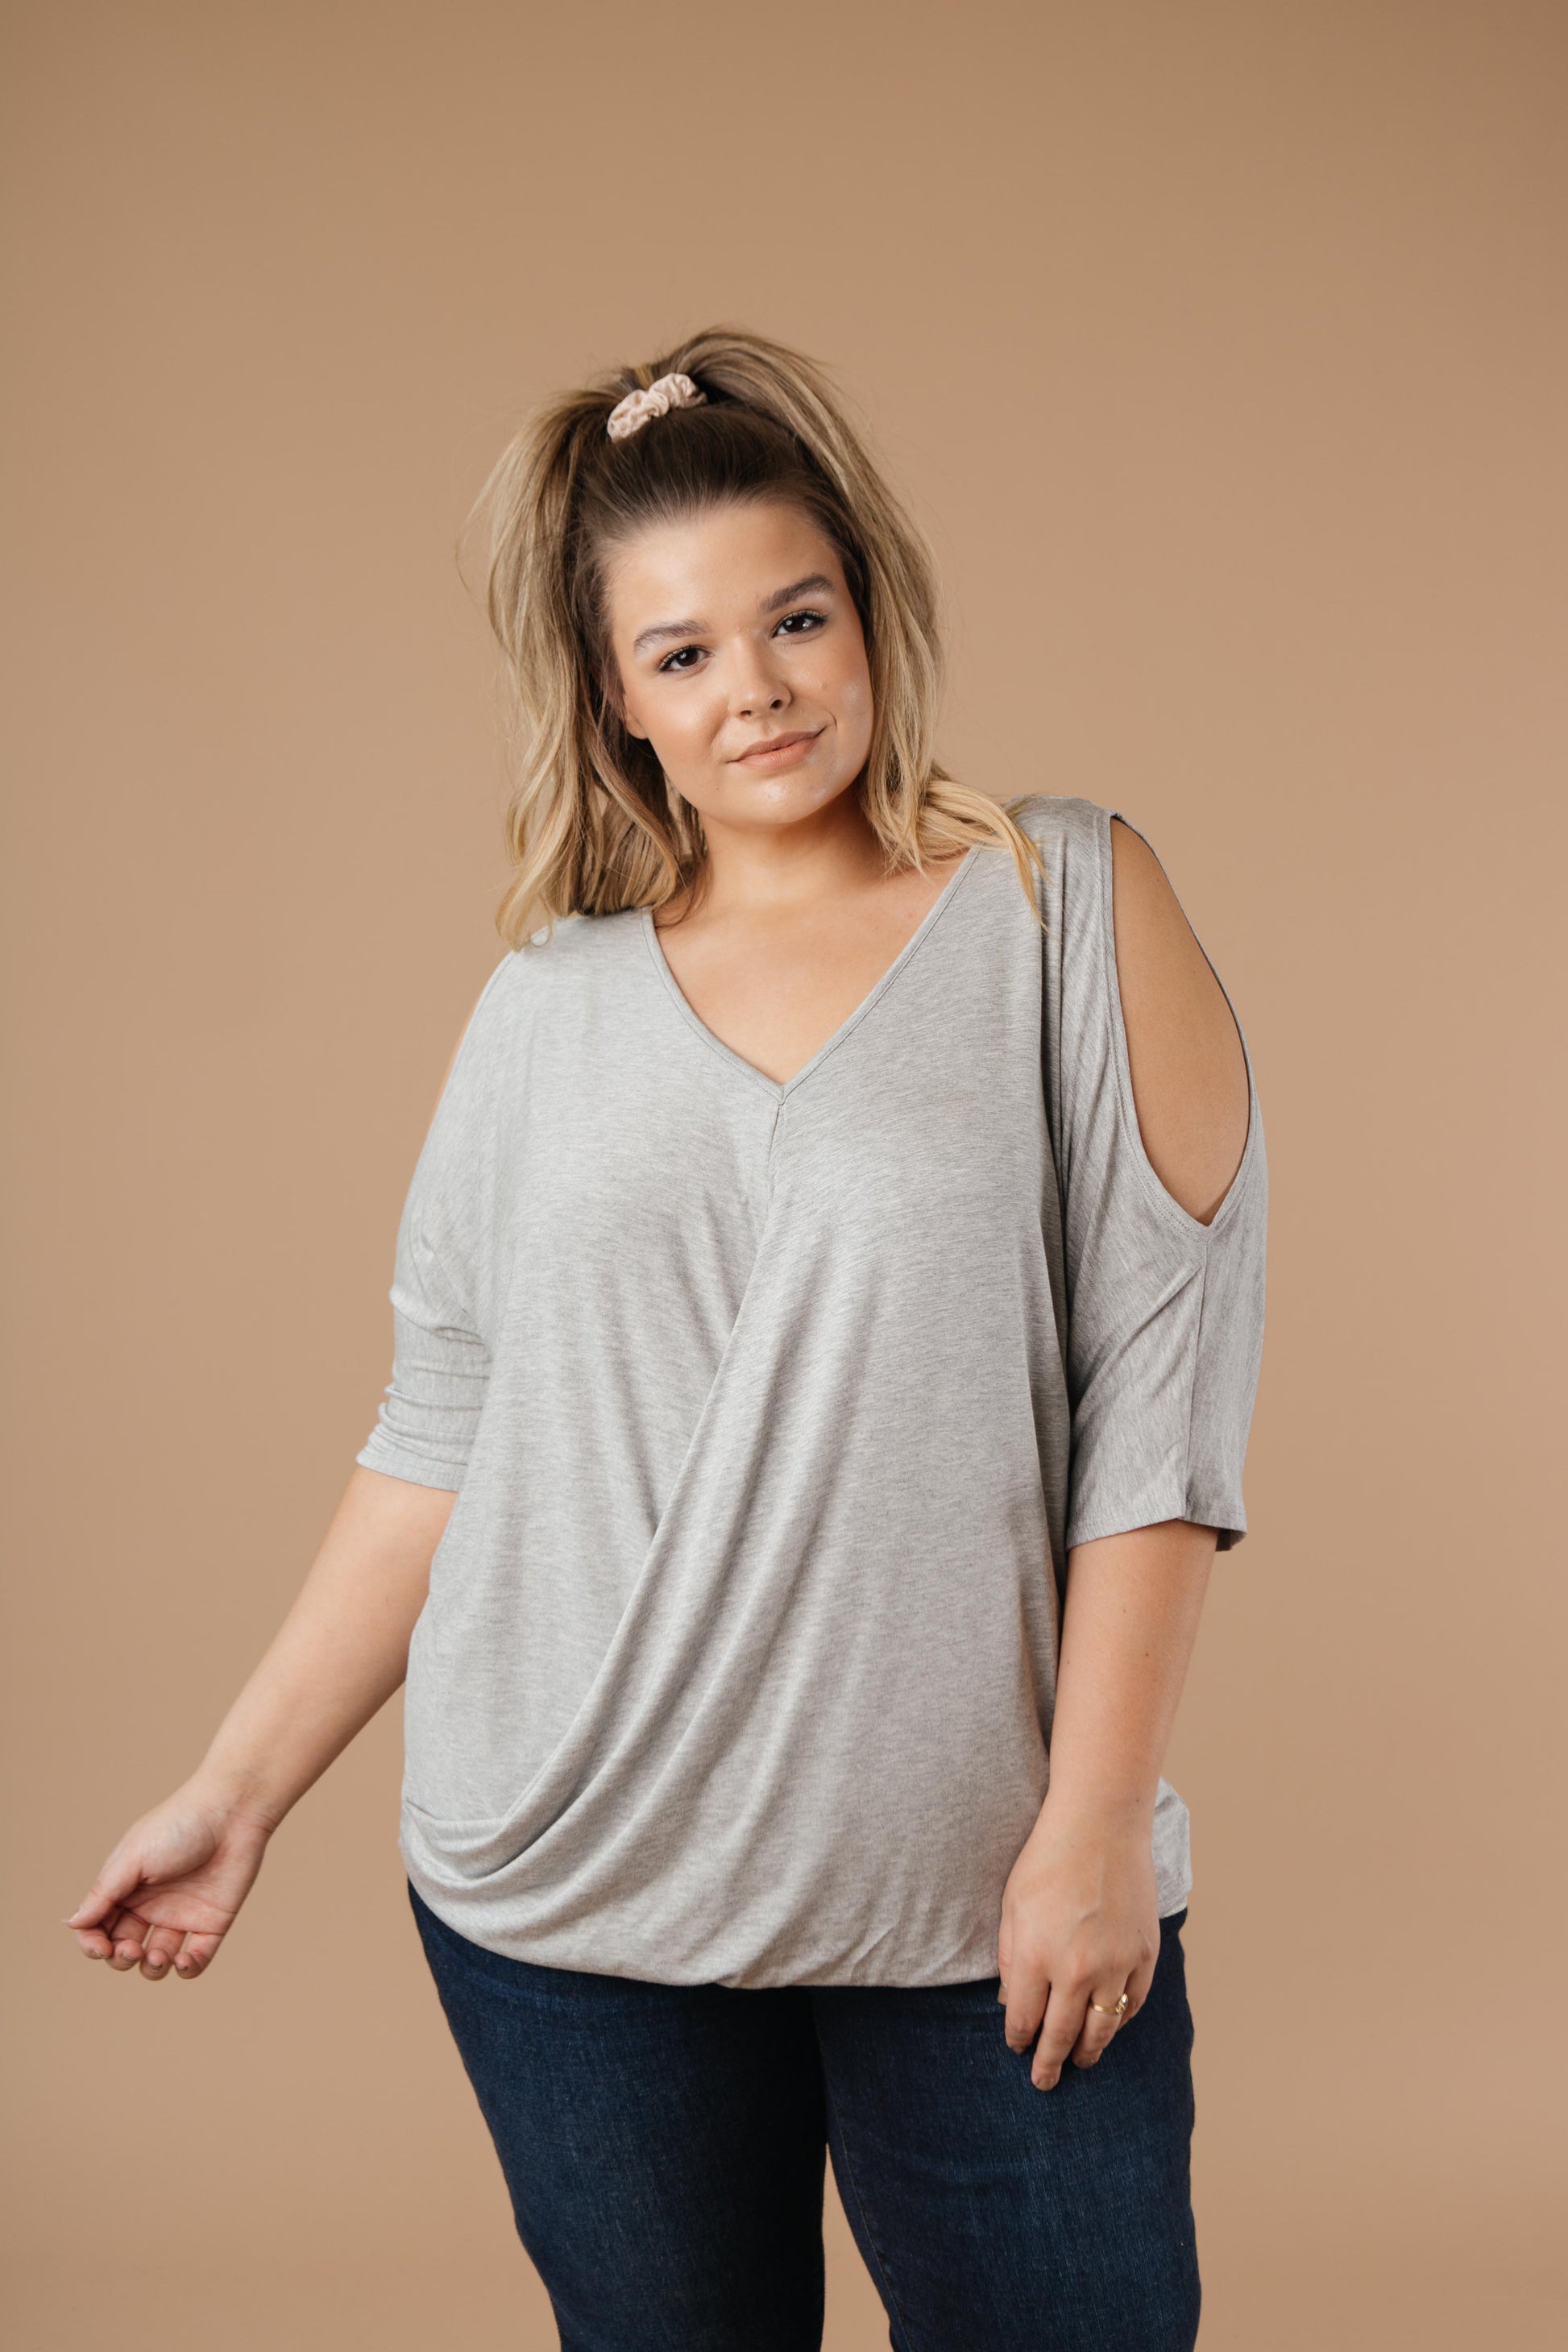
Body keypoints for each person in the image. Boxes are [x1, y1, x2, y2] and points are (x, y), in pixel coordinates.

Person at [65, 327, 1267, 2352]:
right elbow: (443, 1423)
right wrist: (236, 1789)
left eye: (795, 618)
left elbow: (1161, 1400)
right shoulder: (547, 1000)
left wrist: (1087, 1831)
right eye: (683, 651)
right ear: (614, 695)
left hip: (978, 1892)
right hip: (575, 1897)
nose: (756, 688)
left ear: (867, 609)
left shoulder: (1061, 899)